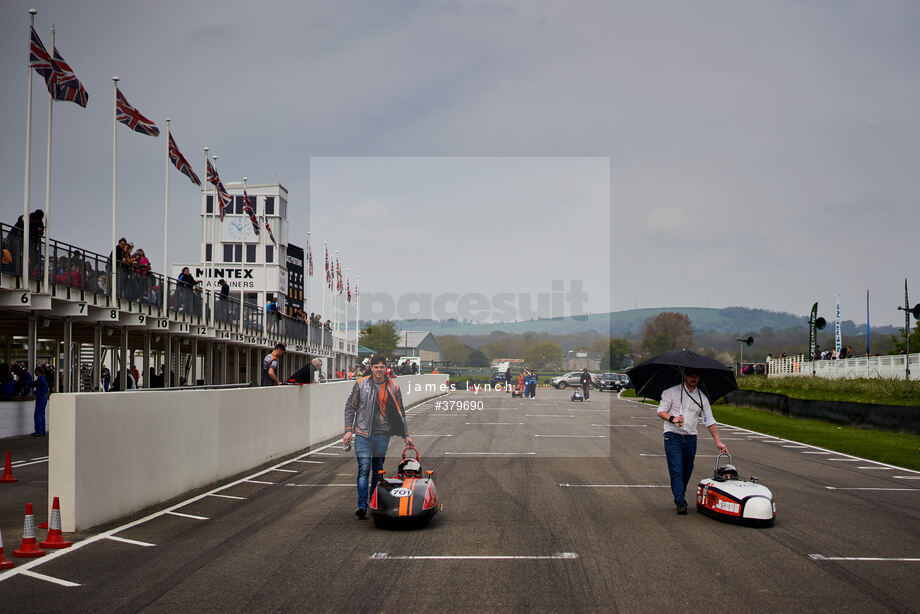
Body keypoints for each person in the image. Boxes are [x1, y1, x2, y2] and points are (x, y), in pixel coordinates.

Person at [343, 354, 414, 519]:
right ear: (372, 368)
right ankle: (361, 505)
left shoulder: (393, 387)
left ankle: (374, 503)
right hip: (362, 433)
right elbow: (349, 407)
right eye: (376, 367)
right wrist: (348, 430)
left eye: (382, 367)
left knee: (377, 472)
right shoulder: (361, 384)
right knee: (364, 469)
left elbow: (400, 412)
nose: (379, 370)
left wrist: (406, 435)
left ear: (386, 368)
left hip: (382, 434)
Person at [656, 368, 728, 515]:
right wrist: (673, 418)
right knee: (676, 469)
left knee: (687, 470)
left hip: (691, 437)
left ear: (699, 378)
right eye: (690, 376)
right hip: (672, 435)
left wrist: (718, 441)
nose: (693, 379)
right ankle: (680, 501)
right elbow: (660, 411)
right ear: (684, 376)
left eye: (696, 376)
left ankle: (679, 493)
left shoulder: (702, 398)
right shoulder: (671, 392)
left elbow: (709, 420)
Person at [31, 365, 49, 437]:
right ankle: (42, 431)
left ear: (38, 372)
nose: (35, 373)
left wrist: (36, 393)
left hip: (41, 398)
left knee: (38, 414)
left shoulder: (41, 379)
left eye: (36, 372)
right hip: (42, 398)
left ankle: (39, 431)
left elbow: (45, 388)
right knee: (41, 414)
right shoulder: (41, 379)